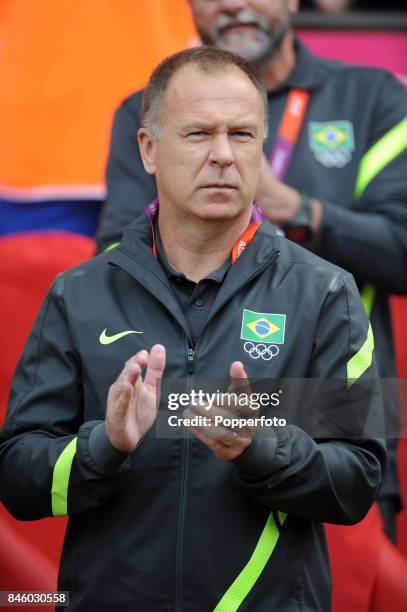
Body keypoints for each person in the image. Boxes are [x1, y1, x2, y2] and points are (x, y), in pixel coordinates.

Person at [0, 47, 386, 611]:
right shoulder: (79, 293)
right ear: (149, 150)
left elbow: (357, 481)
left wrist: (261, 448)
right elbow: (17, 477)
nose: (224, 155)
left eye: (244, 135)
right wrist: (104, 447)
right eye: (199, 133)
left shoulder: (324, 293)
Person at [96, 0, 407, 541]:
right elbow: (111, 262)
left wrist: (296, 209)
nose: (236, 3)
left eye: (241, 135)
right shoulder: (145, 109)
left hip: (340, 421)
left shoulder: (376, 96)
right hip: (181, 433)